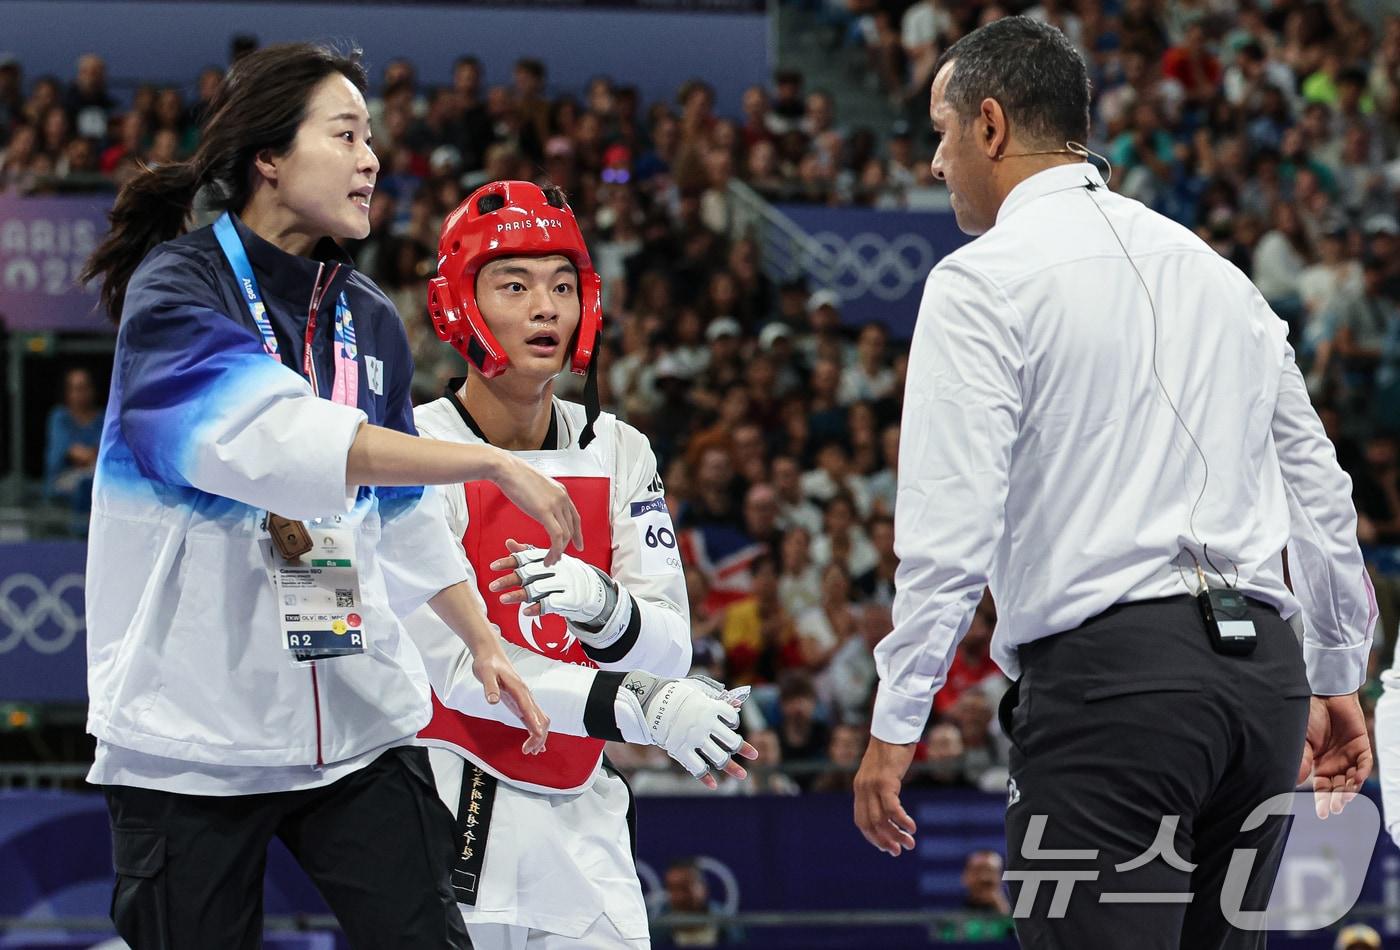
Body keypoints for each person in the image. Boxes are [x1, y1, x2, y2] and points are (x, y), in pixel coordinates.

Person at [852, 18, 1376, 949]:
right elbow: (1322, 495)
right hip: (1262, 696)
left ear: (990, 125)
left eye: (939, 133)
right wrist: (1336, 677)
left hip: (1114, 695)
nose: (934, 163)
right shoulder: (1224, 279)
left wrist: (898, 715)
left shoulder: (981, 282)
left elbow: (949, 527)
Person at [77, 44, 583, 950]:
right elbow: (270, 440)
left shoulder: (366, 315)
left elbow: (398, 517)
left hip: (353, 724)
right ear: (269, 157)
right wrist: (487, 463)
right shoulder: (179, 294)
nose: (371, 159)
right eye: (345, 134)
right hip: (195, 743)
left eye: (371, 139)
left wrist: (482, 640)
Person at [405, 180, 757, 950]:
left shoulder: (621, 449)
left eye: (563, 285)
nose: (546, 308)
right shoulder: (417, 450)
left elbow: (669, 646)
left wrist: (604, 607)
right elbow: (465, 674)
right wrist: (642, 705)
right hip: (453, 803)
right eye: (515, 284)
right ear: (458, 304)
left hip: (584, 801)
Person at [43, 366, 103, 530]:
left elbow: (105, 454)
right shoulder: (60, 417)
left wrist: (90, 456)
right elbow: (73, 452)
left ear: (93, 390)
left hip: (97, 476)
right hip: (63, 479)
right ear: (67, 393)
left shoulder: (103, 418)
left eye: (85, 388)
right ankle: (79, 534)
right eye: (76, 389)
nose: (81, 394)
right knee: (84, 484)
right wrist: (86, 454)